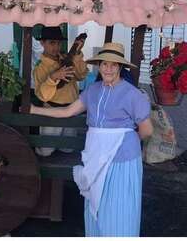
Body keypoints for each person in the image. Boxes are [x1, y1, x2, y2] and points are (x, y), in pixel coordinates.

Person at [31, 42, 153, 236]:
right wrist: (35, 109)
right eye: (105, 64)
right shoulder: (93, 90)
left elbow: (146, 130)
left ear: (120, 67)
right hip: (96, 155)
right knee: (97, 203)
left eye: (114, 65)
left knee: (118, 206)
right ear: (99, 66)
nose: (109, 69)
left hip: (122, 161)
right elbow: (68, 111)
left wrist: (123, 142)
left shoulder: (133, 94)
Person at [32, 26, 88, 156]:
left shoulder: (66, 58)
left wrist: (77, 53)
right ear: (42, 43)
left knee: (67, 149)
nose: (56, 47)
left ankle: (61, 176)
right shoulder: (40, 67)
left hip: (71, 109)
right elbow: (43, 96)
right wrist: (53, 77)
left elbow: (81, 75)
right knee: (45, 151)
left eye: (58, 43)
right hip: (52, 112)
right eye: (52, 42)